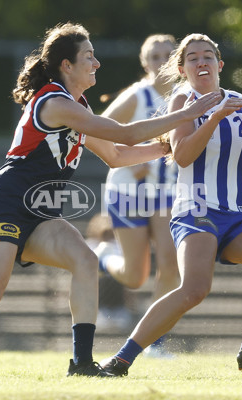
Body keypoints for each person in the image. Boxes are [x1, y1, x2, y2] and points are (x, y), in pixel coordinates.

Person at [0, 23, 222, 377]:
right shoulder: (54, 101)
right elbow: (124, 133)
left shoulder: (75, 104)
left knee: (84, 260)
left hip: (41, 211)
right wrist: (189, 114)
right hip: (7, 202)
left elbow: (115, 155)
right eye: (89, 57)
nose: (97, 64)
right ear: (67, 65)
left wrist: (166, 147)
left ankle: (81, 363)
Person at [101, 33, 242, 377]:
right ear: (182, 69)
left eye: (207, 56)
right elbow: (181, 156)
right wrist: (211, 117)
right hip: (194, 212)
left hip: (236, 216)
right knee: (195, 289)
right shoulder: (183, 102)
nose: (201, 62)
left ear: (220, 64)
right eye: (193, 58)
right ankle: (121, 359)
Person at [100, 34, 180, 357]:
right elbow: (96, 128)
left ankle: (152, 344)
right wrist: (130, 162)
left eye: (168, 55)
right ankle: (104, 254)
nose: (162, 61)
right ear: (145, 64)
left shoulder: (187, 98)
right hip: (128, 192)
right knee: (135, 276)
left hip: (166, 194)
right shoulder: (137, 96)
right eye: (155, 56)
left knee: (172, 270)